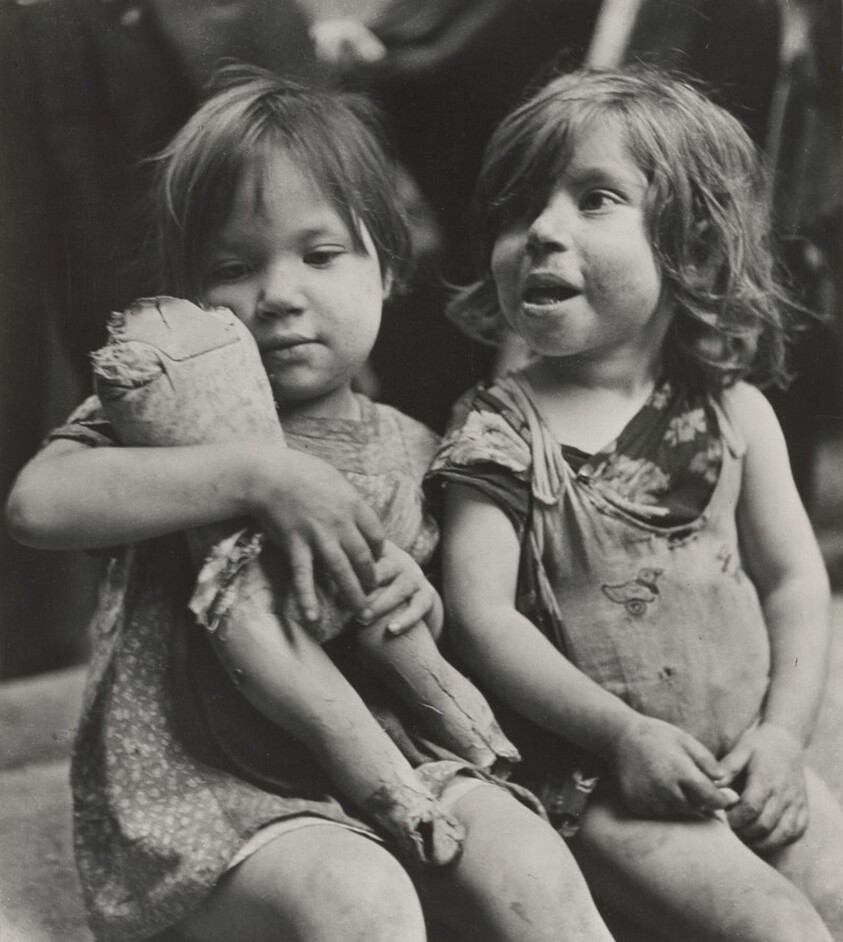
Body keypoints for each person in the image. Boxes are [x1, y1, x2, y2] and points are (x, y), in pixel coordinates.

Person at [4, 69, 614, 942]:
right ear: (188, 300)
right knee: (358, 897)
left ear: (387, 265)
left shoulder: (412, 445)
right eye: (234, 268)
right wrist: (259, 475)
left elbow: (430, 646)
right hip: (211, 807)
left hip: (395, 770)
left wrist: (424, 599)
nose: (279, 294)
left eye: (319, 255)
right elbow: (36, 506)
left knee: (530, 860)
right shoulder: (160, 417)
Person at [429, 66, 843, 942]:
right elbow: (479, 619)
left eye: (593, 199)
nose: (539, 231)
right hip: (606, 782)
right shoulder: (497, 433)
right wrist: (620, 738)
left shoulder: (734, 413)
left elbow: (796, 584)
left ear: (688, 246)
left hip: (749, 757)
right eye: (516, 209)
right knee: (776, 928)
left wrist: (781, 737)